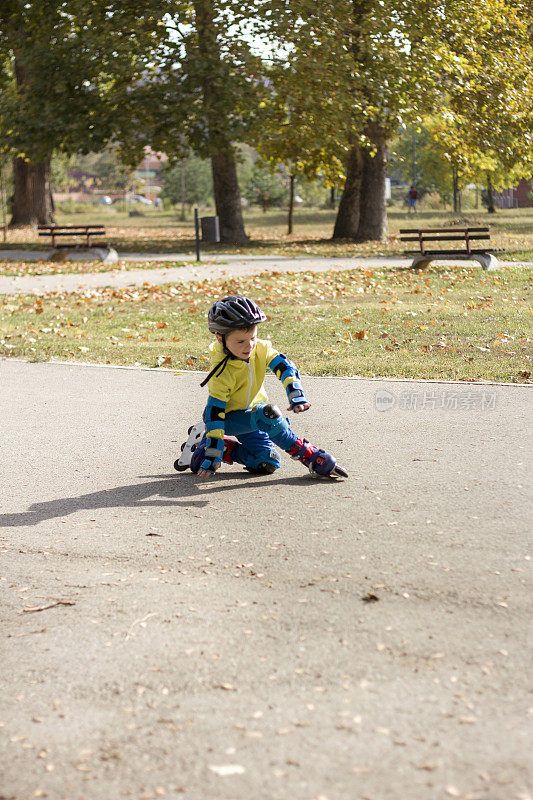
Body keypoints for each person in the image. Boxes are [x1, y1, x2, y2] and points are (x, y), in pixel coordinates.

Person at [177, 295, 348, 480]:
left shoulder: (259, 349)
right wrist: (213, 452)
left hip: (253, 415)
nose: (249, 346)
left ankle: (225, 448)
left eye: (253, 337)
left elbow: (284, 366)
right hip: (229, 418)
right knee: (268, 414)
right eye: (240, 341)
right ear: (220, 339)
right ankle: (311, 457)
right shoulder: (221, 373)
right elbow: (214, 413)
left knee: (268, 462)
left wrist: (295, 393)